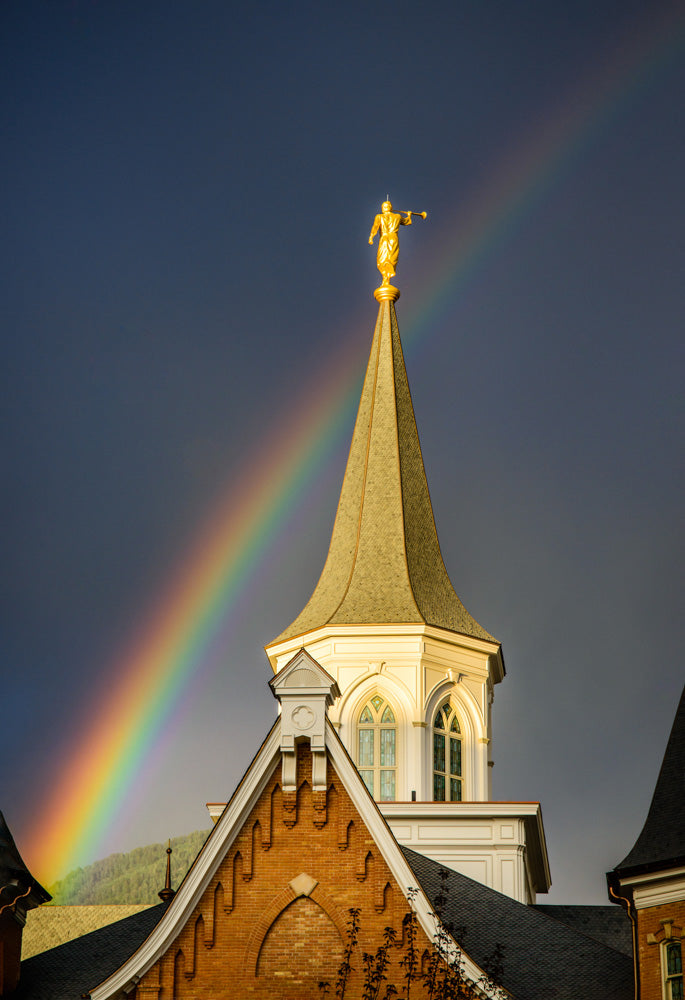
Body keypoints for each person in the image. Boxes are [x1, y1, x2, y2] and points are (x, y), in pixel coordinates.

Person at [368, 200, 412, 286]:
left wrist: (371, 237)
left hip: (384, 238)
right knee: (391, 259)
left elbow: (375, 227)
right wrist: (409, 215)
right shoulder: (398, 216)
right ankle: (386, 278)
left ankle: (385, 278)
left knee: (382, 259)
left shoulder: (379, 216)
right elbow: (407, 221)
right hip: (393, 238)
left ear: (383, 208)